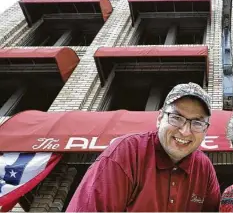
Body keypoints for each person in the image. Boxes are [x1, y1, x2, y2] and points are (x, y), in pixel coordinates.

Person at [66, 82, 220, 212]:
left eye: (197, 123)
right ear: (159, 118)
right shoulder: (126, 152)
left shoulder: (204, 168)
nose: (185, 131)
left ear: (205, 130)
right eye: (176, 118)